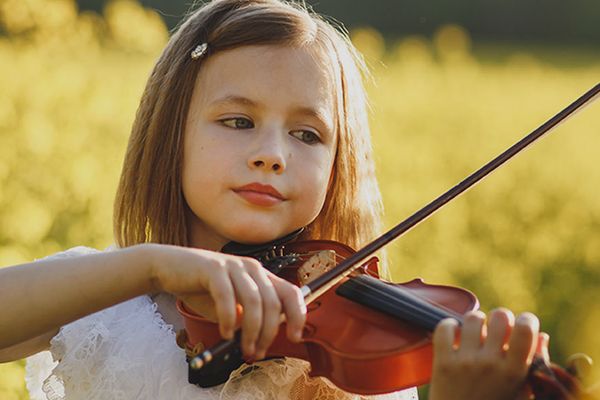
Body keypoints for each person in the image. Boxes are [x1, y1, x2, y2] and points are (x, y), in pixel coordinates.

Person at [0, 0, 544, 399]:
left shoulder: (357, 363)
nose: (272, 155)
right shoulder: (103, 299)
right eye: (238, 121)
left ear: (338, 165)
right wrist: (152, 267)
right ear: (170, 135)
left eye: (307, 135)